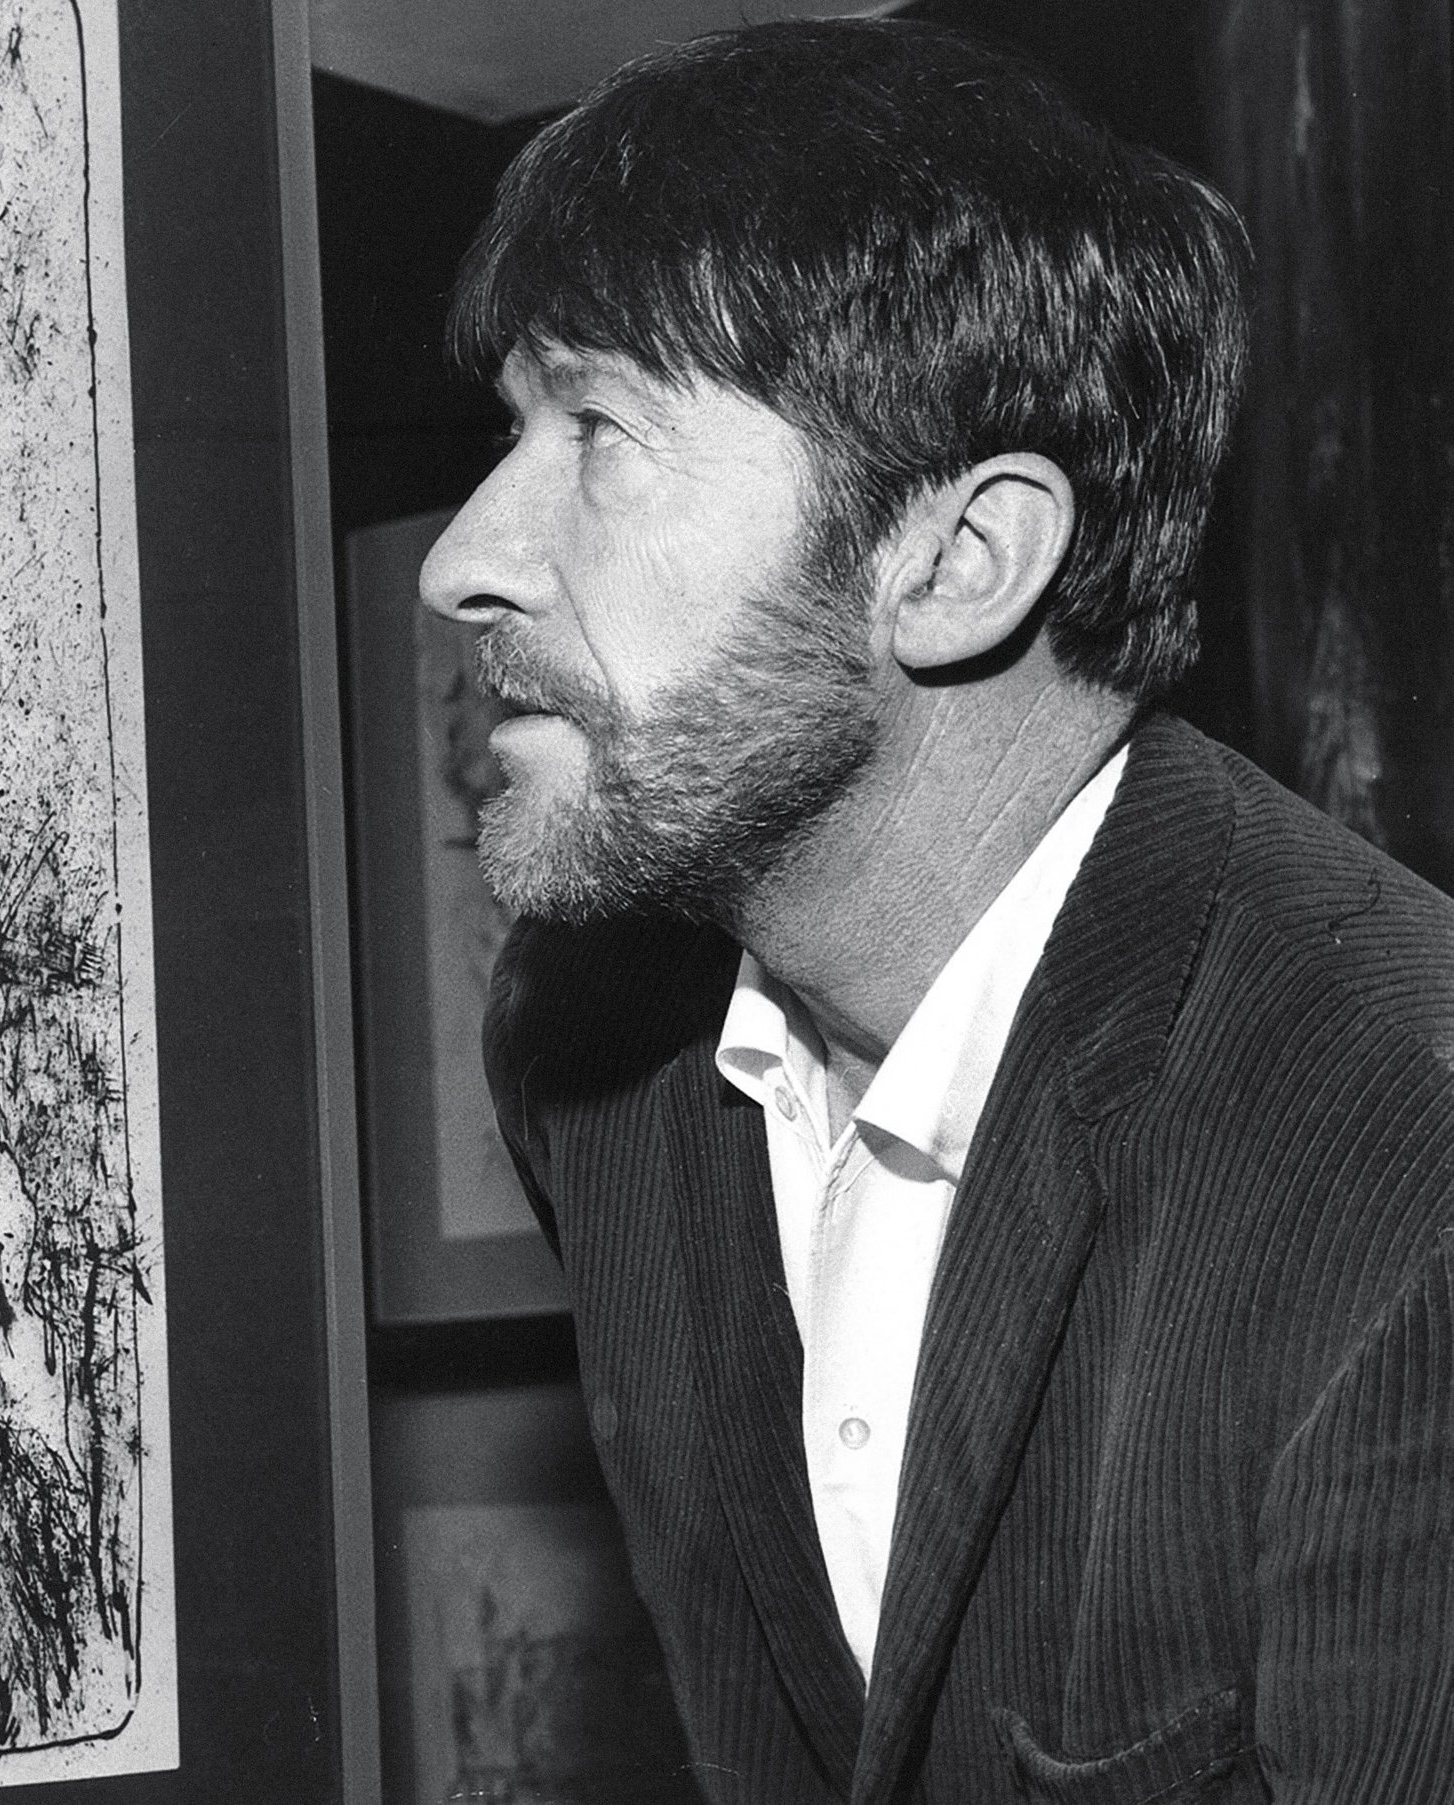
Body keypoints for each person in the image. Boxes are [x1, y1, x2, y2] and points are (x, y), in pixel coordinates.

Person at [418, 19, 1454, 1804]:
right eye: (518, 425)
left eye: (600, 430)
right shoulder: (592, 1051)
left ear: (962, 562)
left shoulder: (1407, 1161)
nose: (462, 560)